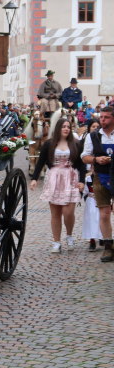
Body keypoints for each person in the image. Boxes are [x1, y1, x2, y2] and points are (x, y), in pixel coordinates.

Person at [30, 118, 85, 253]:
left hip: (70, 178)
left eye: (68, 126)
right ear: (58, 129)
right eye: (63, 126)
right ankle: (56, 242)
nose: (66, 129)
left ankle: (69, 235)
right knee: (55, 213)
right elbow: (41, 161)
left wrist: (82, 181)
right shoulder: (49, 144)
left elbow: (81, 164)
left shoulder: (76, 144)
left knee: (68, 212)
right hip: (54, 178)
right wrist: (34, 178)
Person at [80, 106, 114, 262]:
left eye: (106, 117)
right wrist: (96, 159)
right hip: (101, 176)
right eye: (101, 117)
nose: (103, 120)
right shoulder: (93, 136)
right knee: (104, 213)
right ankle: (108, 247)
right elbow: (84, 156)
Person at [80, 120, 103, 251]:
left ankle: (103, 236)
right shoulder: (86, 141)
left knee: (102, 213)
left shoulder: (102, 141)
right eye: (92, 127)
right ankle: (92, 238)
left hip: (101, 176)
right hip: (89, 178)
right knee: (91, 214)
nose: (95, 129)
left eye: (96, 126)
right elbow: (82, 159)